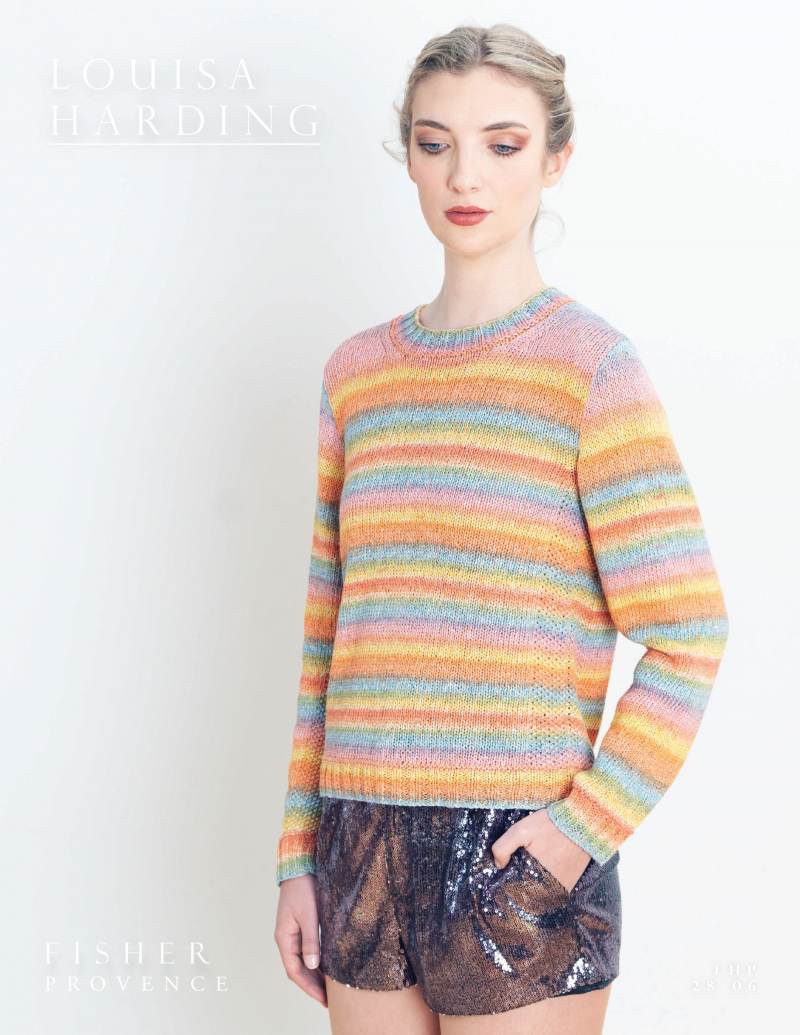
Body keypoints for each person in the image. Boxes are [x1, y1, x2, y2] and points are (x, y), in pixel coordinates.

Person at [273, 22, 729, 1035]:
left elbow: (690, 633)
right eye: (434, 142)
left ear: (555, 158)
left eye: (502, 143)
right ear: (408, 155)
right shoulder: (357, 376)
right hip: (357, 840)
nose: (464, 174)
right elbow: (327, 634)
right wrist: (298, 852)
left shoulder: (589, 370)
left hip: (516, 849)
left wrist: (580, 830)